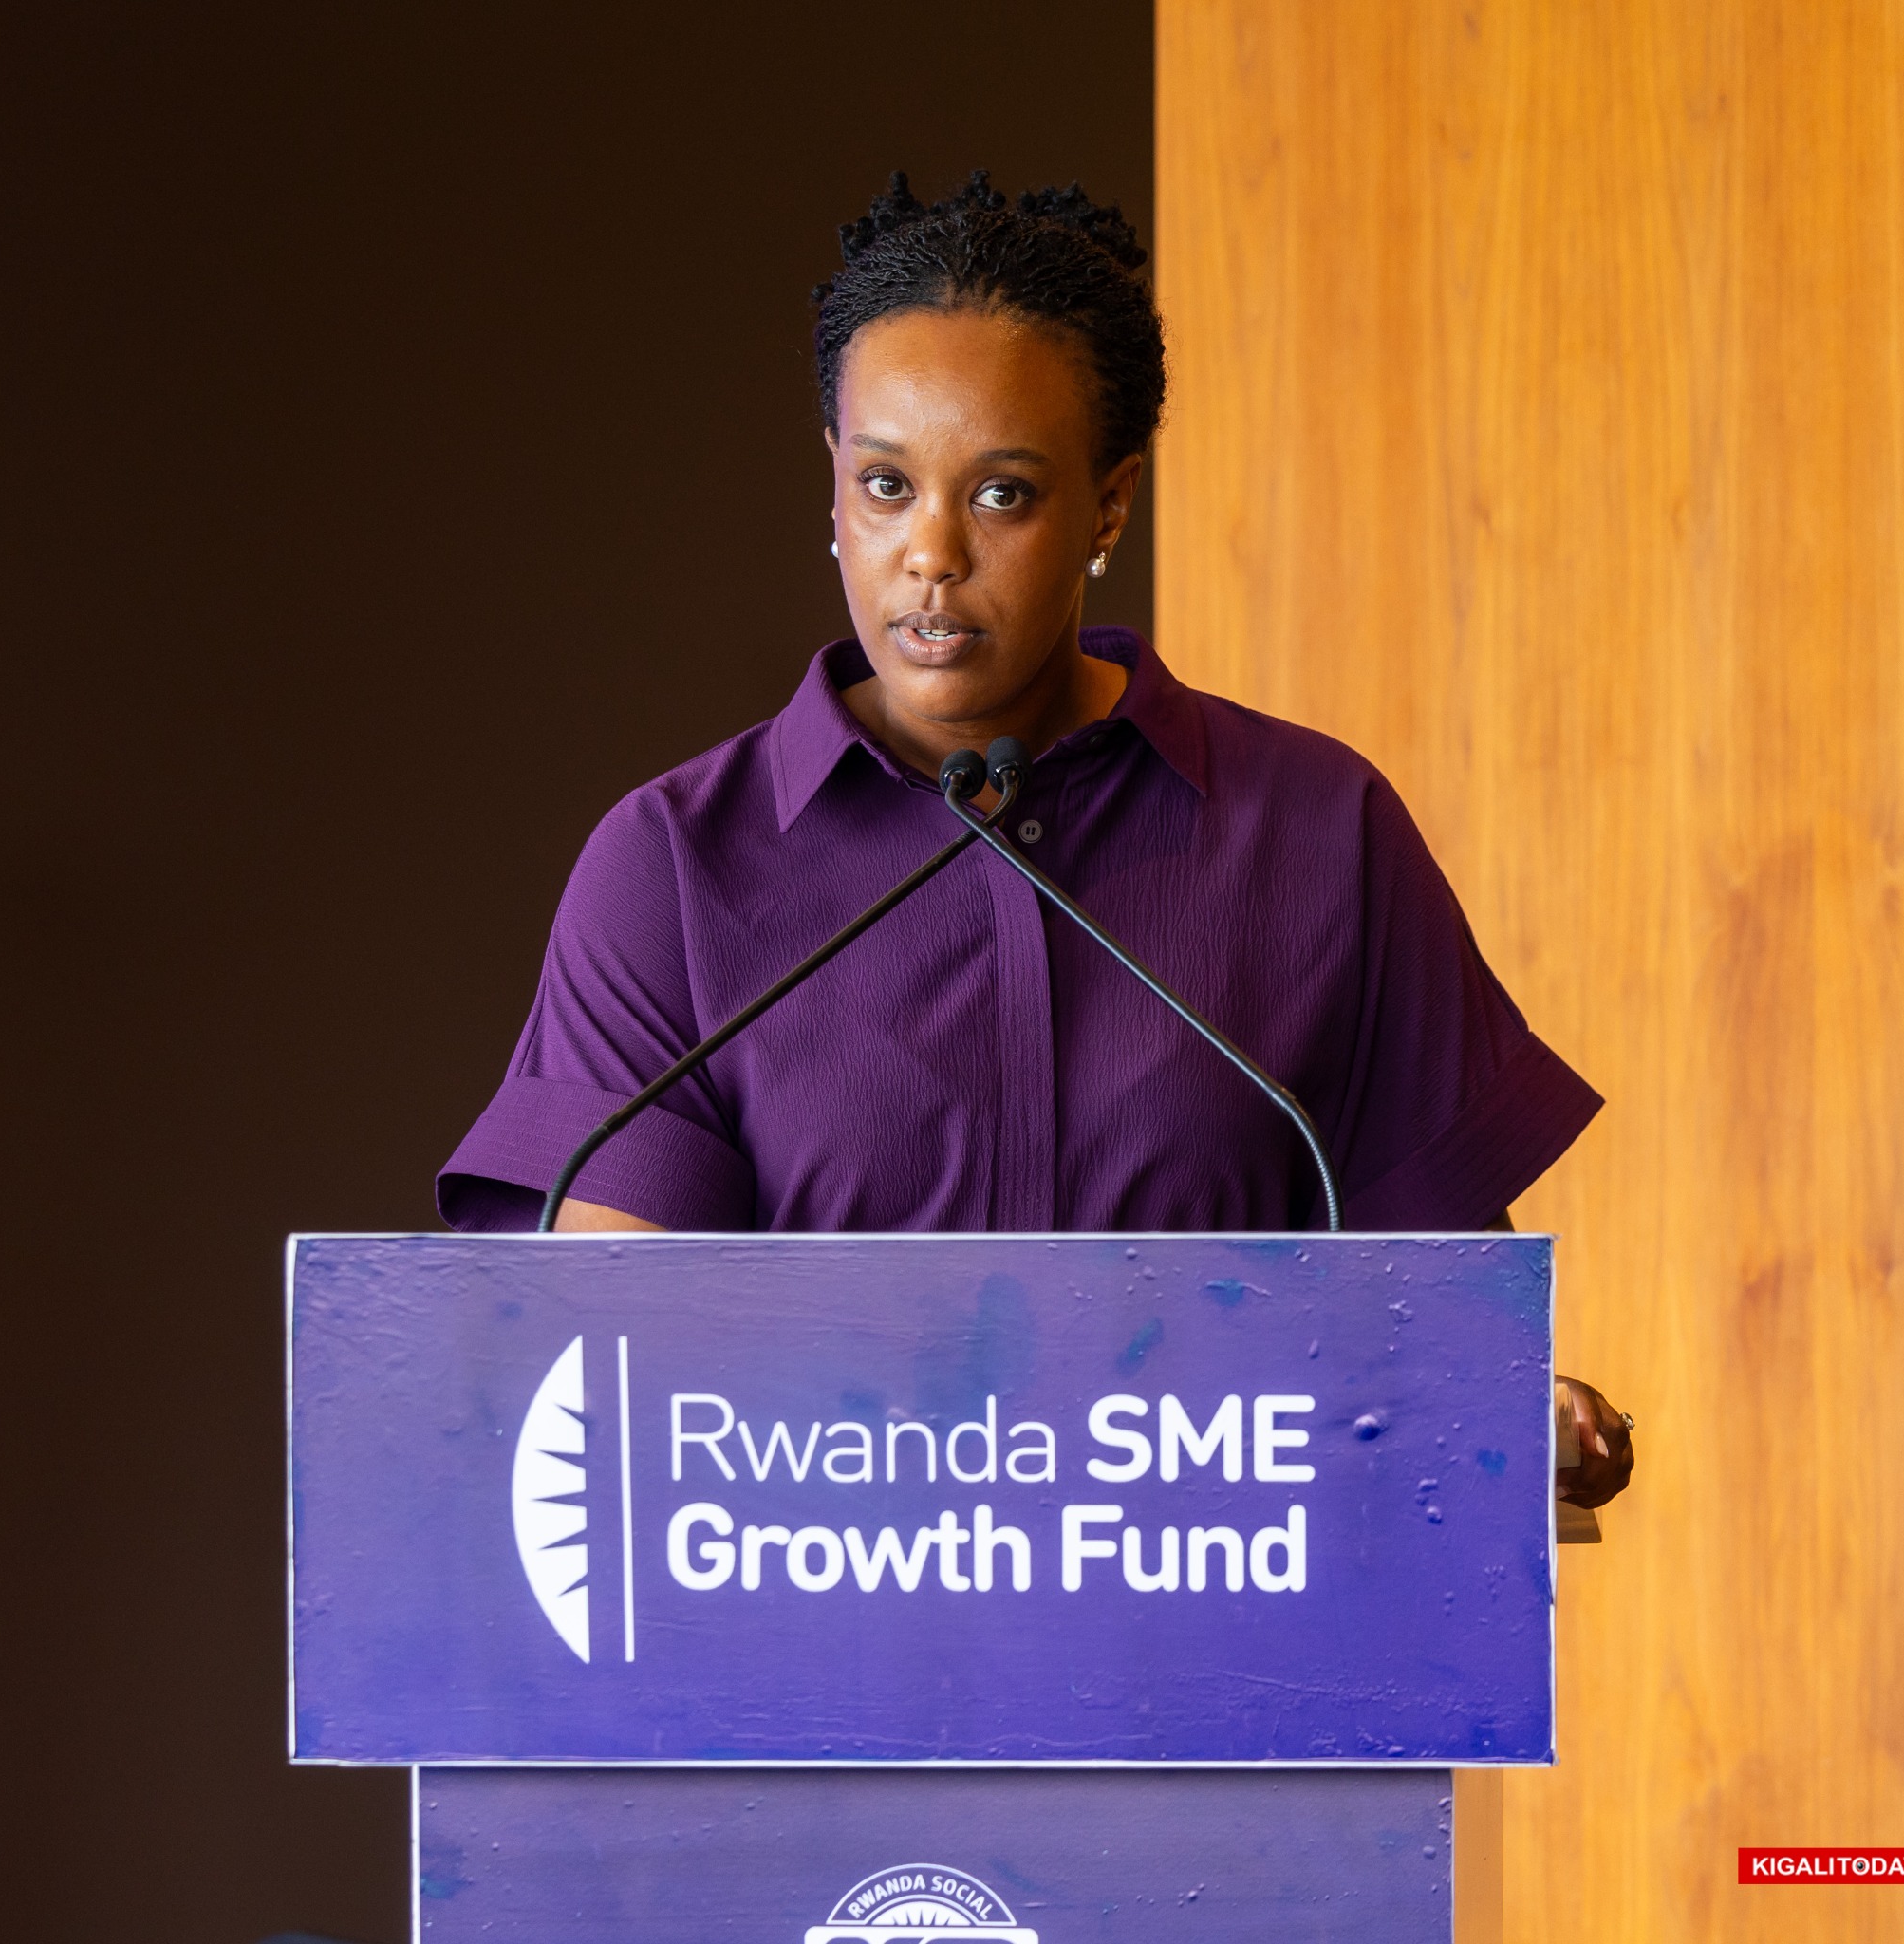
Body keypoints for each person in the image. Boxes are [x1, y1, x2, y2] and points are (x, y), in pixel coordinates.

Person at [438, 171, 1633, 1509]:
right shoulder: (672, 868)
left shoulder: (1315, 833)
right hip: (815, 1622)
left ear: (1110, 507)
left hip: (1225, 1621)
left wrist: (1506, 1406)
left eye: (1001, 495)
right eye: (884, 485)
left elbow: (1438, 1325)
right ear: (832, 488)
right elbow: (600, 1369)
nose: (930, 553)